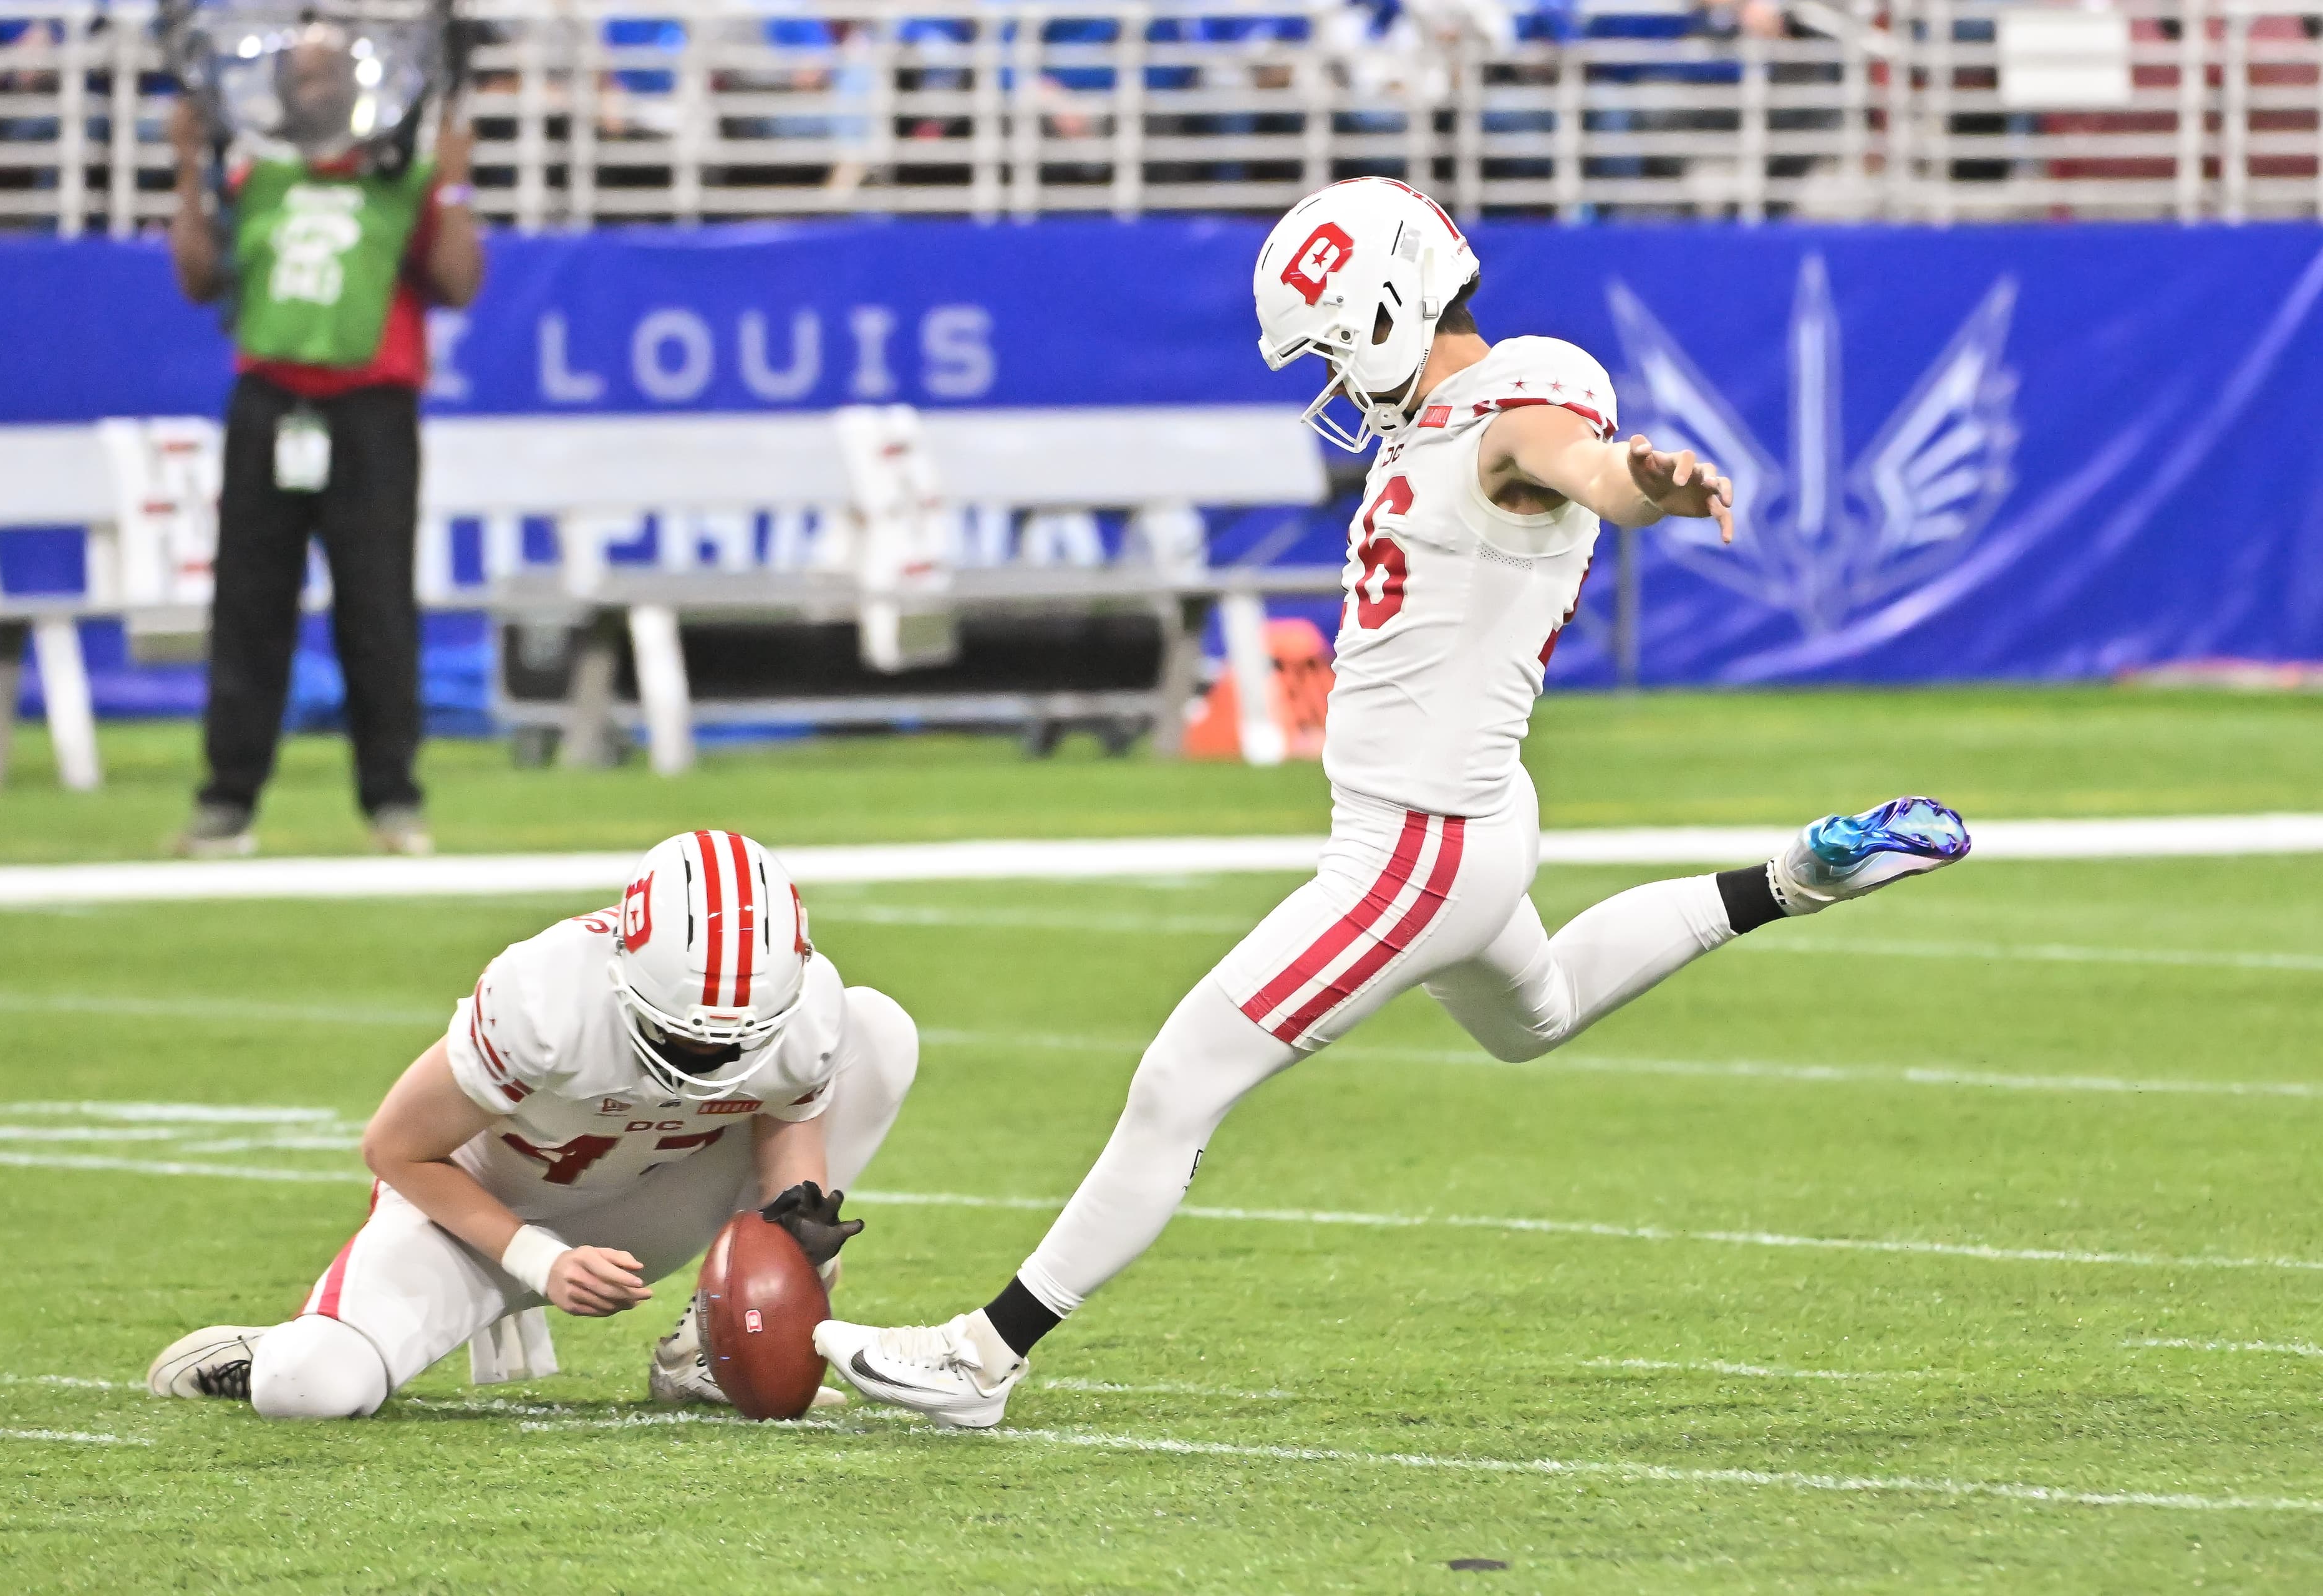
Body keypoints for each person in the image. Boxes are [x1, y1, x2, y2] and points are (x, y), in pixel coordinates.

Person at [814, 177, 1972, 1428]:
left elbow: (1577, 462)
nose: (1330, 378)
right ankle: (1796, 877)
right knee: (1540, 1012)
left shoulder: (1512, 408)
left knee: (1180, 1080)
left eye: (1329, 346)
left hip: (1416, 848)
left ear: (1382, 310)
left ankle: (981, 1357)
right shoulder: (1449, 418)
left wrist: (1643, 483)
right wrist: (1620, 477)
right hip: (1471, 821)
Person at [147, 830, 917, 1418]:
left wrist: (791, 1242)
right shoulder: (545, 996)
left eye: (738, 1041)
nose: (710, 1057)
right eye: (683, 1035)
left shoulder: (812, 1005)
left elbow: (788, 1121)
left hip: (653, 1200)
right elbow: (395, 1149)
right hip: (474, 1221)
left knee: (880, 1031)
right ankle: (283, 1342)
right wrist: (538, 1258)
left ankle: (707, 1349)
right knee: (307, 1387)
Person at [165, 26, 485, 859]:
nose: (315, 90)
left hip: (370, 408)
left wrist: (453, 183)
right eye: (301, 77)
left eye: (327, 75)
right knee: (248, 606)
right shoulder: (256, 176)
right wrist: (188, 171)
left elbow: (458, 283)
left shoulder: (401, 179)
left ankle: (393, 798)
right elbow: (199, 279)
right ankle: (227, 799)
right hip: (270, 400)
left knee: (377, 608)